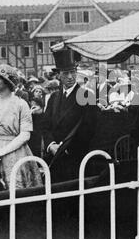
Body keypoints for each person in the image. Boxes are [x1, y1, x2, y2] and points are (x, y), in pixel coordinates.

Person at [0, 64, 43, 192]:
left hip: (15, 154)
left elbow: (25, 134)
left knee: (17, 193)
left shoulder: (21, 104)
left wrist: (1, 152)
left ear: (7, 81)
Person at [41, 49, 98, 182]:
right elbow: (45, 126)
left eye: (73, 72)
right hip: (54, 157)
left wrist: (67, 148)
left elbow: (89, 128)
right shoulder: (54, 97)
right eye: (66, 73)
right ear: (58, 75)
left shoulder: (86, 96)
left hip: (76, 158)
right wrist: (51, 145)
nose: (70, 77)